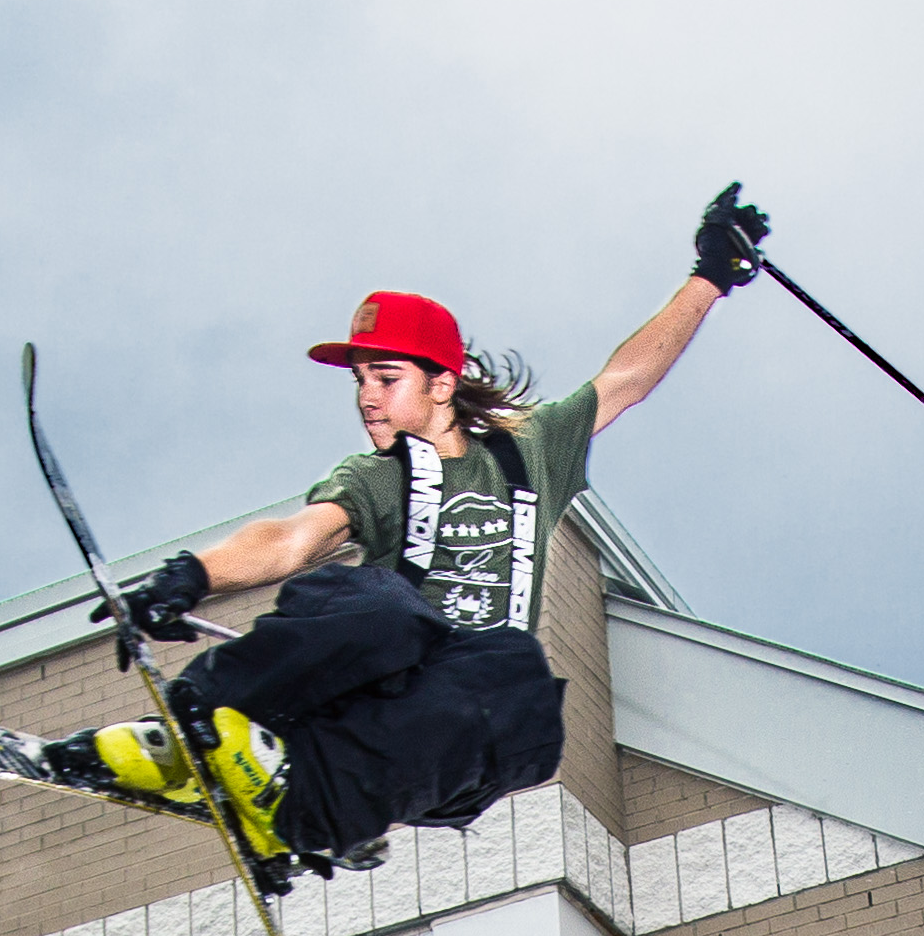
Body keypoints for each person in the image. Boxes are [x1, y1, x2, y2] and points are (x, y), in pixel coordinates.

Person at [81, 186, 766, 884]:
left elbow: (627, 378)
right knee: (381, 603)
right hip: (372, 708)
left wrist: (708, 276)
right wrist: (189, 576)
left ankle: (306, 805)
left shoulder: (528, 449)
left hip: (460, 740)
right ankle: (215, 734)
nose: (366, 397)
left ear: (443, 384)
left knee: (516, 670)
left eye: (386, 377)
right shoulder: (376, 477)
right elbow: (294, 540)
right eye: (359, 381)